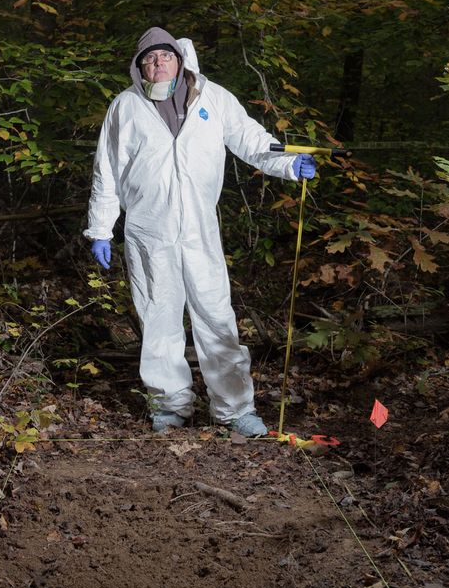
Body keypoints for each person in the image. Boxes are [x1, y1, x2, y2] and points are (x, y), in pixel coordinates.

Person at [84, 27, 316, 436]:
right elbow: (107, 171)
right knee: (159, 317)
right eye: (149, 60)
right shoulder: (125, 106)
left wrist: (288, 164)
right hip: (147, 230)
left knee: (215, 315)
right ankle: (170, 405)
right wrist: (101, 228)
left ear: (180, 59)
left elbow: (250, 139)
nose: (158, 64)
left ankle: (235, 408)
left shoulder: (213, 97)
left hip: (200, 229)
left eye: (165, 57)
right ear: (139, 68)